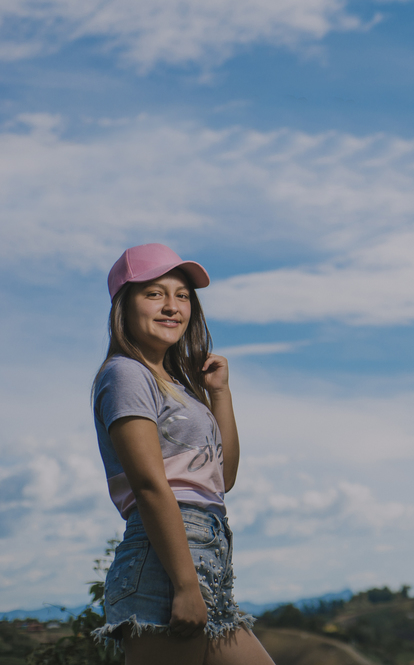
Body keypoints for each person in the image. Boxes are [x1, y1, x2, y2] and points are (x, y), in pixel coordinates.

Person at [92, 243, 274, 665]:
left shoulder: (177, 385)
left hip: (205, 556)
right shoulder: (126, 374)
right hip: (167, 560)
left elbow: (222, 478)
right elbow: (149, 485)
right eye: (154, 294)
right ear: (124, 305)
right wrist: (186, 585)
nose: (172, 306)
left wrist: (219, 393)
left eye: (182, 296)